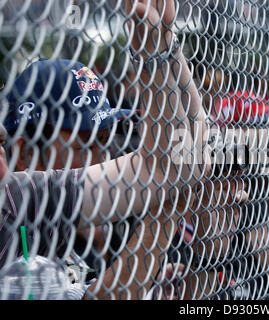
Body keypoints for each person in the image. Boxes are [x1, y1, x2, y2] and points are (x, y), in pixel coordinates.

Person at [0, 0, 211, 299]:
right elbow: (175, 169)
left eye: (103, 141)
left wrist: (166, 42)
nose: (101, 157)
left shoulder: (55, 220)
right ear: (24, 151)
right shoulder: (17, 201)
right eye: (83, 142)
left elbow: (185, 159)